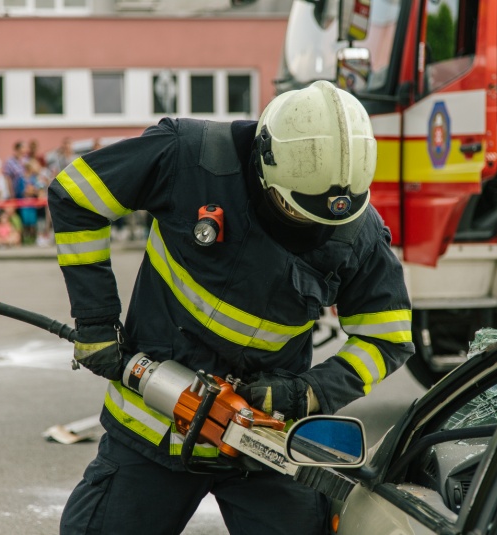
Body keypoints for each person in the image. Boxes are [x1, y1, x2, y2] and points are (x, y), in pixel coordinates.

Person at [48, 80, 414, 535]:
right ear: (264, 162)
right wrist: (97, 322)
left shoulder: (355, 230)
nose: (310, 227)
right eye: (296, 210)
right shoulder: (188, 157)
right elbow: (76, 194)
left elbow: (388, 336)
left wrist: (304, 394)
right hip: (152, 429)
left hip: (265, 441)